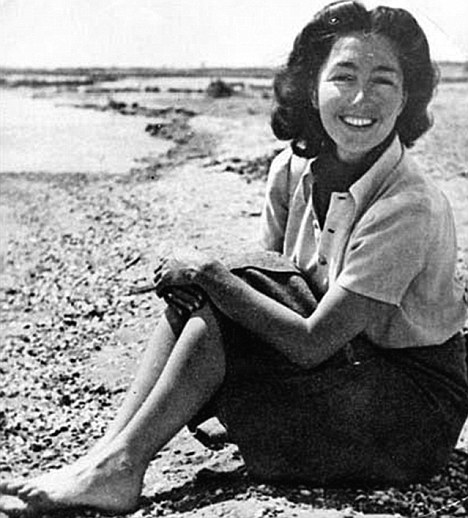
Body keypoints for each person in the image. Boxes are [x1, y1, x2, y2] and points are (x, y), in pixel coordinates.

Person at [1, 0, 467, 515]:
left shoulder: (408, 205)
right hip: (348, 370)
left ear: (406, 98)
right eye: (343, 76)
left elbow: (311, 342)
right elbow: (268, 288)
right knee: (207, 294)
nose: (361, 98)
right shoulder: (291, 170)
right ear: (313, 88)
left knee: (220, 284)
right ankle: (107, 457)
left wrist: (210, 275)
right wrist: (207, 286)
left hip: (407, 415)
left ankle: (120, 465)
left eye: (383, 81)